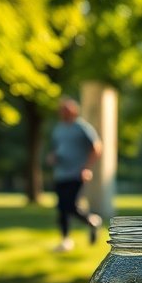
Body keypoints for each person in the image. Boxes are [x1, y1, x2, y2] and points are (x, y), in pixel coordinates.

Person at [48, 97, 102, 252]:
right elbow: (59, 148)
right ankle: (65, 240)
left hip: (76, 173)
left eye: (65, 110)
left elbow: (97, 147)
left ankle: (91, 221)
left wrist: (86, 167)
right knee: (62, 208)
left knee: (70, 205)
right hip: (61, 174)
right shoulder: (58, 128)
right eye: (61, 110)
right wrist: (53, 157)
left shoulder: (82, 128)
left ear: (73, 111)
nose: (62, 113)